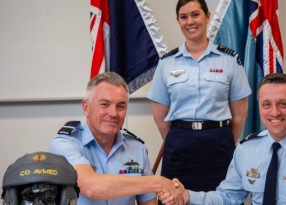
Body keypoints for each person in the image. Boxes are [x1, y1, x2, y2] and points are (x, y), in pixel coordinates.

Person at [159, 73, 286, 205]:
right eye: (266, 104)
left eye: (283, 103)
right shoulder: (247, 148)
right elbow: (227, 197)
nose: (274, 112)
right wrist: (187, 196)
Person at [147, 0, 251, 194]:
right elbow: (160, 118)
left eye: (195, 15)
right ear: (178, 21)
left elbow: (239, 116)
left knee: (222, 198)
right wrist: (178, 140)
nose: (190, 22)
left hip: (218, 144)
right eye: (183, 17)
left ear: (208, 16)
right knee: (174, 197)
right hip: (178, 145)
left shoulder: (229, 60)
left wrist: (223, 141)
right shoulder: (167, 63)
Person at [49, 72, 185, 205]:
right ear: (86, 107)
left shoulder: (137, 148)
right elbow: (92, 187)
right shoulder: (65, 144)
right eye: (104, 104)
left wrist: (170, 198)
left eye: (120, 106)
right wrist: (159, 183)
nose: (113, 113)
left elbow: (148, 202)